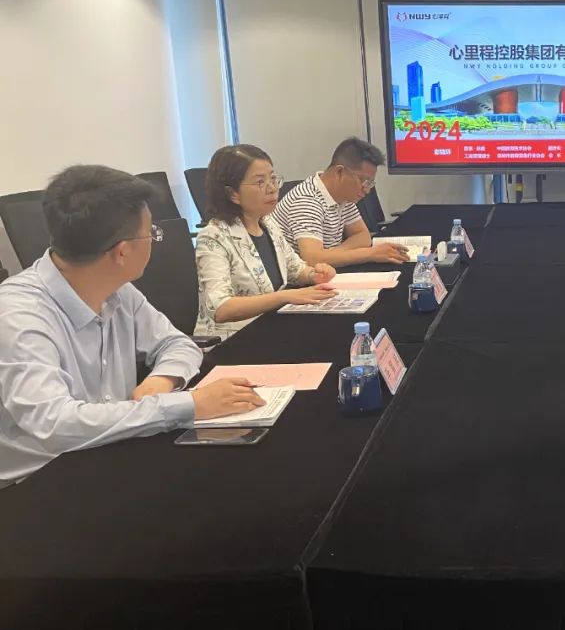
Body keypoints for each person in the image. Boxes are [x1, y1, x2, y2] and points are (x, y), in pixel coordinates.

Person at [0, 165, 266, 486]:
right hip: (36, 484)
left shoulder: (118, 290)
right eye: (151, 232)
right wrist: (187, 405)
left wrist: (162, 380)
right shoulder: (18, 315)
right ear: (123, 252)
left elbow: (177, 343)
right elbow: (55, 424)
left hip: (109, 454)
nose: (154, 240)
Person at [195, 144, 340, 342]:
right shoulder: (213, 237)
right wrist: (284, 297)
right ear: (232, 194)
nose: (272, 188)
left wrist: (315, 274)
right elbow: (220, 308)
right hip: (232, 341)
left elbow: (295, 269)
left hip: (271, 329)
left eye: (273, 179)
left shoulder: (268, 224)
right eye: (260, 182)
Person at [269, 137, 408, 267]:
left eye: (370, 183)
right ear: (339, 172)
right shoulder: (306, 200)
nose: (367, 190)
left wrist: (331, 254)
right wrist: (370, 254)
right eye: (363, 181)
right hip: (297, 280)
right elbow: (312, 259)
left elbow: (362, 236)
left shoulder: (344, 196)